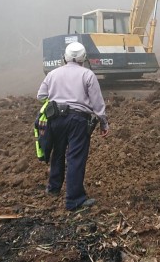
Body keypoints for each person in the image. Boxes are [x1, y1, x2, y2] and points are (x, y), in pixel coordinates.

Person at [37, 41, 110, 211]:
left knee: (58, 153)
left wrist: (56, 99)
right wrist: (103, 122)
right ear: (83, 58)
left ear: (65, 57)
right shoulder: (88, 75)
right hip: (78, 120)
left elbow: (41, 96)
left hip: (55, 119)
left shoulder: (53, 74)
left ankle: (53, 188)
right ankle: (74, 200)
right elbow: (97, 103)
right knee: (75, 157)